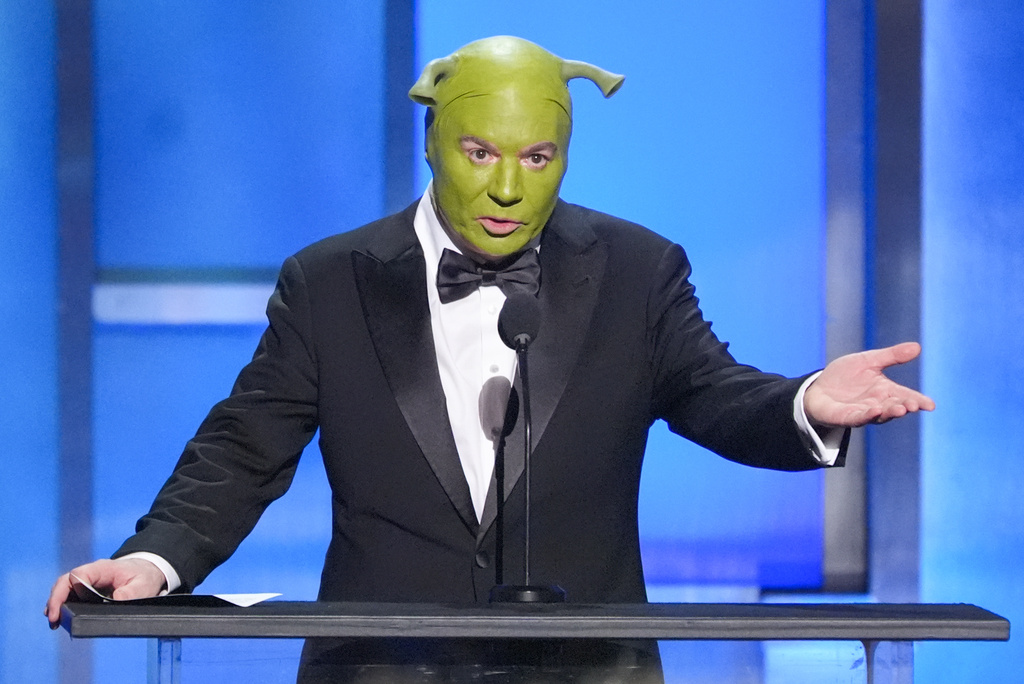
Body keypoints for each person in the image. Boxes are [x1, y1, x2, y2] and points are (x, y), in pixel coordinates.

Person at [46, 36, 933, 681]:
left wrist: (809, 400)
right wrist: (154, 562)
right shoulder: (329, 281)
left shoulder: (637, 269)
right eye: (480, 152)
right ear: (433, 140)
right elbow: (245, 447)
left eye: (538, 157)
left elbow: (712, 393)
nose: (509, 186)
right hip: (380, 670)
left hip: (584, 672)